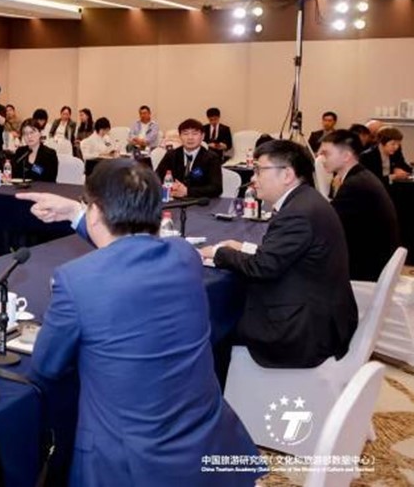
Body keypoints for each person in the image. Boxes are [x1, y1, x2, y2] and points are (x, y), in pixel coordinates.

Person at [22, 160, 260, 486]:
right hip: (208, 449)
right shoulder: (183, 255)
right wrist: (76, 213)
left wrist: (84, 214)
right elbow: (128, 250)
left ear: (96, 212)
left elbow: (47, 367)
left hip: (130, 465)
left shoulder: (75, 279)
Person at [200, 141, 357, 370]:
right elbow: (284, 255)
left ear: (287, 175)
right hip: (316, 308)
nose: (253, 179)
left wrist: (218, 252)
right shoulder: (306, 200)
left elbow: (262, 267)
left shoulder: (297, 213)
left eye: (259, 171)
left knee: (215, 326)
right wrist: (243, 247)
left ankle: (222, 390)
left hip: (301, 329)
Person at [319, 130, 400, 281]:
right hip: (374, 259)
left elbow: (328, 224)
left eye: (326, 153)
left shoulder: (355, 185)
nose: (320, 157)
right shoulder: (361, 177)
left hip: (366, 269)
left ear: (346, 156)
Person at [154, 119, 223, 198]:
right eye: (185, 134)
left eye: (195, 134)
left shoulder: (211, 158)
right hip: (174, 200)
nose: (190, 138)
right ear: (180, 136)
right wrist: (169, 186)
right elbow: (155, 178)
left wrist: (187, 191)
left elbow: (216, 188)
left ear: (203, 136)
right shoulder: (171, 155)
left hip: (200, 201)